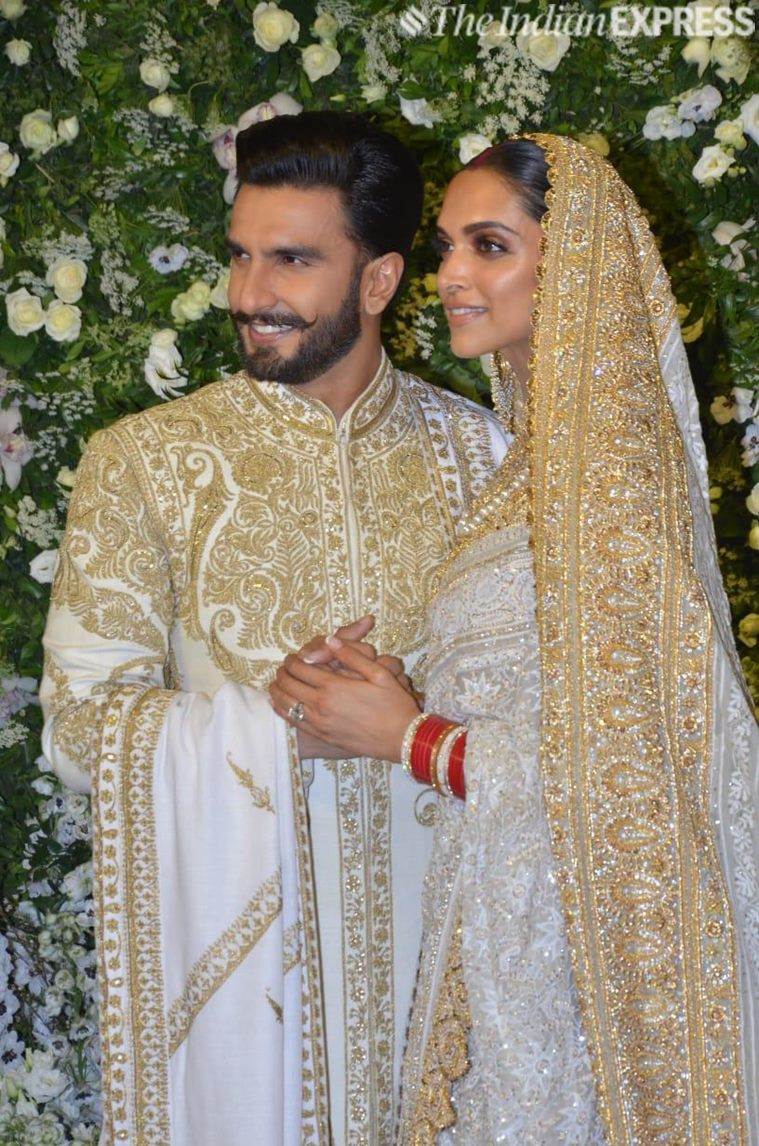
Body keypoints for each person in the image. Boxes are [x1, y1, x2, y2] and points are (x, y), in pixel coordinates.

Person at [270, 133, 759, 1144]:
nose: (450, 276)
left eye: (489, 245)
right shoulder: (531, 473)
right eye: (448, 245)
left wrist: (417, 740)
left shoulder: (615, 485)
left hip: (583, 990)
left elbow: (649, 773)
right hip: (506, 938)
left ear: (569, 264)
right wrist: (374, 693)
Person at [39, 112, 509, 1144]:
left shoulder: (491, 462)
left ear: (379, 281)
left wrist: (407, 729)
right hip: (247, 1027)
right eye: (241, 257)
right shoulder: (144, 462)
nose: (251, 295)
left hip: (460, 999)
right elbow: (76, 728)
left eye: (293, 260)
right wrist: (270, 724)